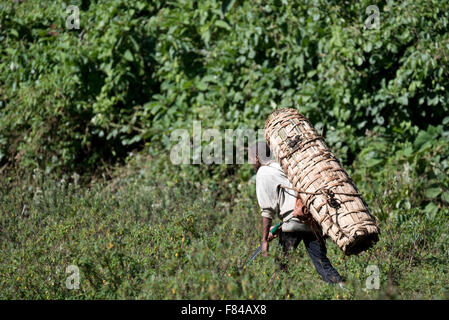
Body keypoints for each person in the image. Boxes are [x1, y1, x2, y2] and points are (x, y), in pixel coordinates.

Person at [248, 141, 344, 285]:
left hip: (293, 224)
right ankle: (344, 290)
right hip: (311, 220)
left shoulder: (263, 172)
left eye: (249, 159)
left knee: (280, 266)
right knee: (323, 264)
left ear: (256, 157)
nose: (250, 163)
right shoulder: (284, 167)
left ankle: (276, 293)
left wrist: (264, 240)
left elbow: (267, 211)